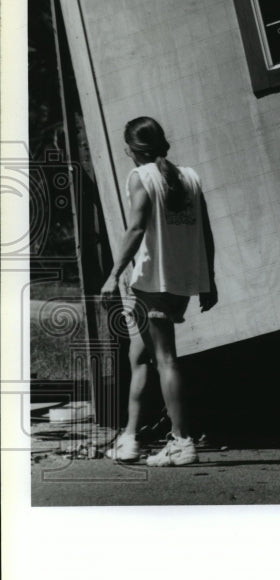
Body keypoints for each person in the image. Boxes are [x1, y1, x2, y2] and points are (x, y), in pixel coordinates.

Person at [101, 117, 217, 466]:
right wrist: (208, 280)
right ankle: (130, 438)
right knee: (139, 356)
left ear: (130, 150)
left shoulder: (141, 177)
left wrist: (113, 274)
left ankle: (182, 442)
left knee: (164, 358)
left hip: (152, 280)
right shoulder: (190, 176)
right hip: (179, 280)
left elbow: (135, 229)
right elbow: (206, 234)